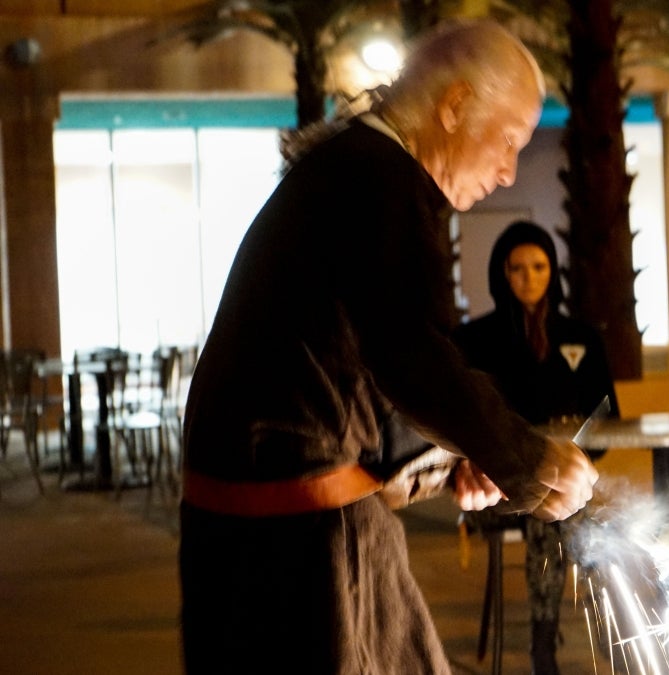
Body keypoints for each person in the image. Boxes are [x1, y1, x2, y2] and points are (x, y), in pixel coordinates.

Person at [178, 20, 599, 675]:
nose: (509, 171)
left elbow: (340, 365)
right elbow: (414, 359)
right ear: (455, 104)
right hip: (300, 548)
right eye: (510, 140)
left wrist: (445, 456)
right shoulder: (383, 182)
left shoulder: (344, 169)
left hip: (255, 532)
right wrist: (527, 457)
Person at [453, 221, 619, 674]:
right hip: (493, 486)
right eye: (517, 268)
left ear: (553, 271)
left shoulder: (581, 336)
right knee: (549, 504)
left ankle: (613, 626)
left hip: (566, 478)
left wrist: (572, 444)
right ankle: (542, 642)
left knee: (584, 504)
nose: (529, 277)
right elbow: (463, 420)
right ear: (501, 273)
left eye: (539, 266)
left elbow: (606, 412)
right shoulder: (475, 338)